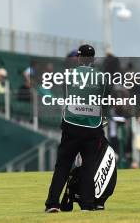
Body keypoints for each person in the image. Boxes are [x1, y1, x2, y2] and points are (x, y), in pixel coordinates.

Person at [45, 44, 108, 213]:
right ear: (94, 59)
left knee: (63, 165)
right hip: (92, 127)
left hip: (71, 125)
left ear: (78, 58)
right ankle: (87, 204)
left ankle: (52, 203)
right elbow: (104, 100)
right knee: (88, 166)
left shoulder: (69, 75)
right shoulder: (102, 77)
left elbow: (67, 98)